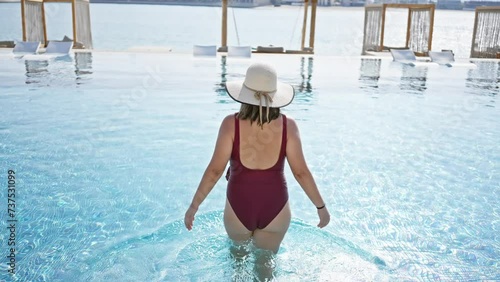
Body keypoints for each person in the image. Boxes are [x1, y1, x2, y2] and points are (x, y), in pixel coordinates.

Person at [184, 62, 330, 254]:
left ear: (244, 93)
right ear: (275, 96)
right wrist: (321, 207)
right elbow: (301, 173)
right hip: (276, 210)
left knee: (237, 264)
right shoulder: (288, 126)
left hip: (238, 209)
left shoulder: (230, 124)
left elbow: (215, 171)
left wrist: (194, 206)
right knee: (265, 269)